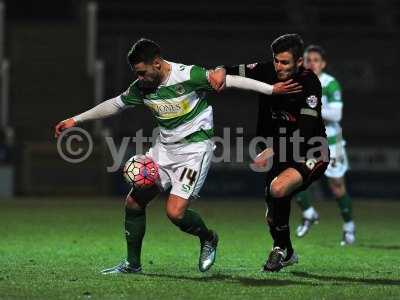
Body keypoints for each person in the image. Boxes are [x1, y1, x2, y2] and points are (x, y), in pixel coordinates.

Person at [54, 38, 300, 274]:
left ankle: (208, 237)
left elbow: (232, 81)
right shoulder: (142, 88)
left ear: (157, 63)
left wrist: (271, 89)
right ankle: (132, 264)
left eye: (142, 72)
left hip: (194, 151)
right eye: (136, 74)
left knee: (175, 213)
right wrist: (75, 119)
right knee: (133, 202)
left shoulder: (188, 75)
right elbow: (116, 104)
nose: (139, 78)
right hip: (163, 150)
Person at [209, 33, 329, 272]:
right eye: (276, 60)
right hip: (279, 153)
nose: (278, 66)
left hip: (311, 150)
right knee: (272, 216)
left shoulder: (309, 83)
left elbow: (306, 131)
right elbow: (232, 70)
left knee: (278, 189)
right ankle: (287, 251)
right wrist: (220, 70)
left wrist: (273, 149)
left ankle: (279, 251)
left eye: (285, 62)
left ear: (299, 63)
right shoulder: (266, 71)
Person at [295, 45, 355, 246]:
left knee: (337, 187)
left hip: (331, 143)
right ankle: (309, 213)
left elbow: (336, 115)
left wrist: (312, 110)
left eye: (315, 60)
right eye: (308, 59)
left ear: (323, 64)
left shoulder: (330, 84)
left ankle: (348, 227)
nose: (312, 63)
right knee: (294, 178)